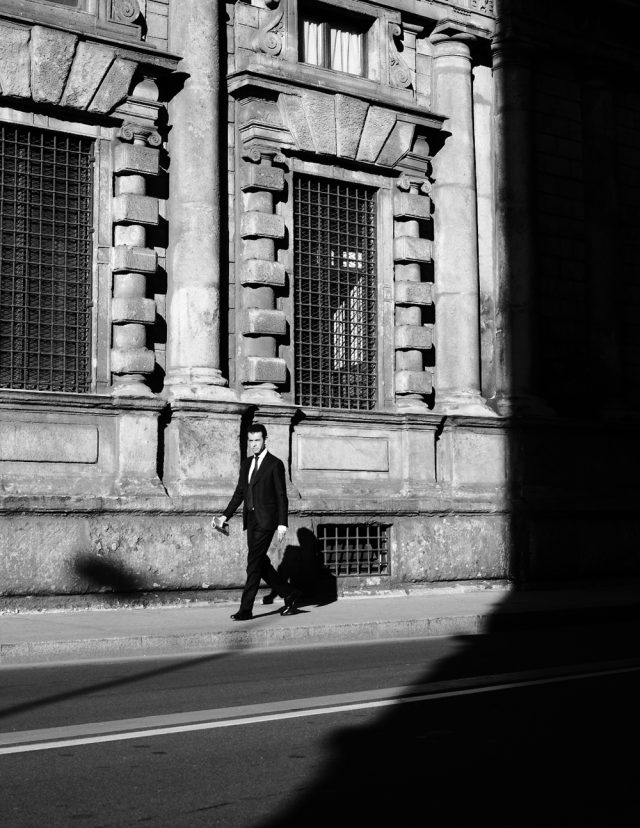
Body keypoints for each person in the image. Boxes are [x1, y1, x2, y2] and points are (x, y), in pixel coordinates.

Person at [212, 423, 302, 621]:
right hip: (250, 520)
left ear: (265, 440)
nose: (254, 444)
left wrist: (282, 524)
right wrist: (224, 516)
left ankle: (246, 609)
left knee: (253, 564)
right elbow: (240, 493)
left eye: (257, 440)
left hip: (266, 521)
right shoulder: (246, 464)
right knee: (260, 562)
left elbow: (281, 495)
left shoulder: (275, 464)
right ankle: (289, 593)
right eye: (251, 441)